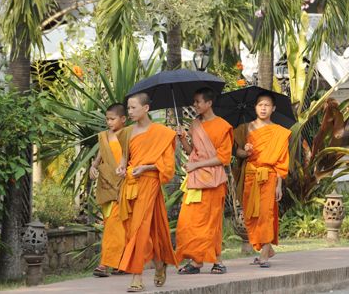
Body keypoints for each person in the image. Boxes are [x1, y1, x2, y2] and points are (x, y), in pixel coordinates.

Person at [115, 93, 178, 292]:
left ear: (146, 109)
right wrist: (120, 167)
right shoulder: (126, 132)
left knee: (139, 228)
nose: (130, 111)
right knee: (153, 228)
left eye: (133, 108)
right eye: (128, 108)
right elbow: (125, 157)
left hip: (149, 183)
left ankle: (137, 276)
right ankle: (160, 263)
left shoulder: (162, 133)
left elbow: (168, 166)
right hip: (131, 185)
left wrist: (147, 168)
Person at [175, 88, 233, 275]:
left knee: (211, 222)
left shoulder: (223, 126)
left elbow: (223, 158)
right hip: (195, 180)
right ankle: (196, 261)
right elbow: (192, 150)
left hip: (213, 181)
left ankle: (218, 261)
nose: (195, 105)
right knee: (189, 222)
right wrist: (182, 138)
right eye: (195, 101)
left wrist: (197, 166)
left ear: (209, 103)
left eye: (198, 101)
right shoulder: (195, 124)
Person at [236, 91, 290, 268]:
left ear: (273, 108)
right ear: (255, 107)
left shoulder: (279, 132)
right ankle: (266, 248)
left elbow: (281, 161)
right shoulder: (245, 128)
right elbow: (237, 153)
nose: (263, 108)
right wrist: (246, 151)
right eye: (260, 105)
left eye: (267, 105)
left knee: (266, 214)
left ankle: (265, 253)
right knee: (251, 215)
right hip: (251, 176)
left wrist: (279, 185)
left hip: (269, 177)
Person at [89, 103, 130, 277]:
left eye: (112, 119)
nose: (109, 122)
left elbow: (130, 156)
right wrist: (93, 167)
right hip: (106, 185)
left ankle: (105, 264)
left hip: (123, 185)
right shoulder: (104, 136)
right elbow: (99, 158)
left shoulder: (128, 135)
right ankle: (121, 263)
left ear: (123, 119)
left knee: (116, 226)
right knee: (111, 225)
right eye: (107, 119)